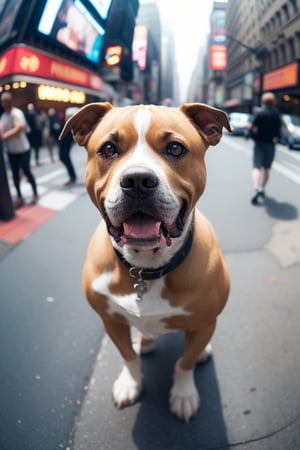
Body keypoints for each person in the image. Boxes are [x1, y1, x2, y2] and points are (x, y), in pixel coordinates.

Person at [0, 92, 39, 208]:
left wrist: (5, 136)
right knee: (15, 175)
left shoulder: (17, 113)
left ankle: (35, 193)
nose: (4, 104)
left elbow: (19, 128)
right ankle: (19, 196)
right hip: (12, 151)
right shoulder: (3, 116)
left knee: (27, 171)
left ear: (10, 102)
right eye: (2, 102)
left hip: (23, 149)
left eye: (5, 101)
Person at [250, 92, 282, 205]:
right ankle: (262, 187)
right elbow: (279, 131)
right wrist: (277, 139)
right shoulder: (276, 114)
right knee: (267, 168)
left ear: (263, 101)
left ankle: (256, 187)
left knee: (256, 167)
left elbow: (252, 127)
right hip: (270, 144)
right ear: (273, 102)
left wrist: (254, 137)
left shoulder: (259, 113)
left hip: (259, 143)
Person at [58, 108, 77, 186]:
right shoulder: (65, 122)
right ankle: (72, 176)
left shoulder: (71, 124)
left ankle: (72, 176)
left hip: (66, 141)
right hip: (64, 141)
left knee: (64, 157)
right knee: (63, 157)